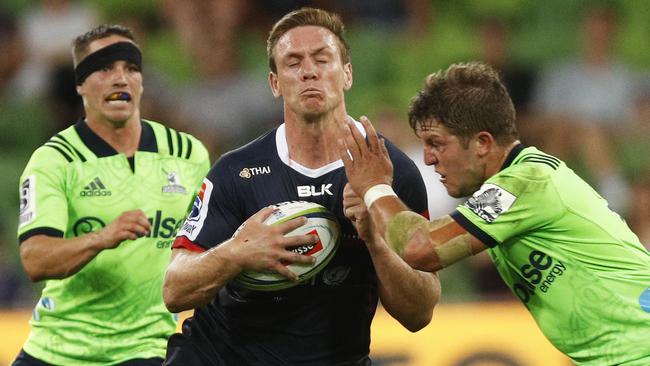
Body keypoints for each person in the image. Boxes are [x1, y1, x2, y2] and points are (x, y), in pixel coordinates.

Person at [163, 7, 440, 365]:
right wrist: (239, 251)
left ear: (347, 74)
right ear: (275, 83)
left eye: (322, 59)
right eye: (293, 63)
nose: (309, 71)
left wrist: (375, 240)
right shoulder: (237, 172)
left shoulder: (390, 172)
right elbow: (174, 289)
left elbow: (420, 313)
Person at [338, 61, 650, 365]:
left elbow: (423, 248)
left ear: (483, 143)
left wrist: (376, 187)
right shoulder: (522, 182)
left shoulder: (521, 184)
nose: (429, 159)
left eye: (436, 143)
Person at [13, 25, 210, 365]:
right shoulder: (56, 160)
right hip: (58, 349)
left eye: (131, 68)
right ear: (80, 84)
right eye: (105, 68)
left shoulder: (187, 154)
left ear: (141, 82)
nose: (121, 78)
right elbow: (35, 259)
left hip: (147, 348)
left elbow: (210, 245)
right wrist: (101, 237)